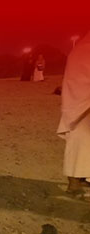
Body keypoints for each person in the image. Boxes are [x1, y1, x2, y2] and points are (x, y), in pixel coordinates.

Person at [57, 31, 90, 195]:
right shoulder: (85, 49)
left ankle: (78, 181)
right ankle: (75, 184)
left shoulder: (80, 48)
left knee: (80, 142)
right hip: (83, 102)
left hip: (78, 100)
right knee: (82, 141)